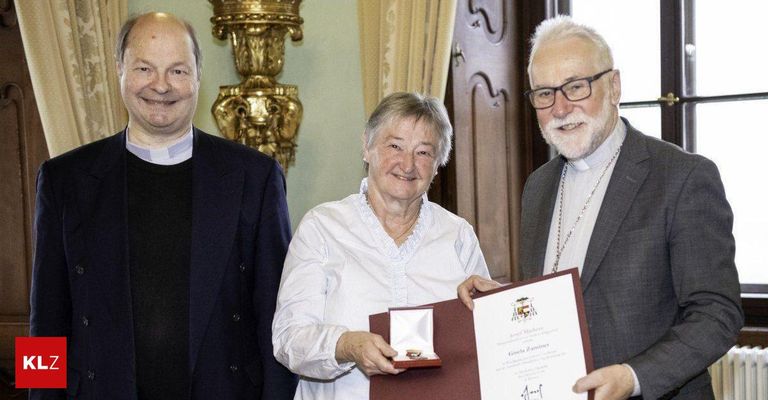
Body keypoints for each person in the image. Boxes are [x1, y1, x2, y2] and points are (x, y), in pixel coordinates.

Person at [458, 15, 742, 400]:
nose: (559, 108)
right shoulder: (537, 187)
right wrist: (503, 301)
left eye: (575, 87)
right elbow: (559, 293)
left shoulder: (682, 177)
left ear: (614, 86)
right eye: (544, 93)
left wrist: (633, 377)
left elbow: (716, 315)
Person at [30, 12, 296, 399]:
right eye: (144, 68)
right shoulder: (64, 180)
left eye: (177, 71)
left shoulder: (254, 178)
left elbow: (276, 316)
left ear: (198, 77)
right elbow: (45, 322)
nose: (160, 86)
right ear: (119, 70)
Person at [272, 92, 490, 399]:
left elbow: (485, 342)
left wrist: (494, 307)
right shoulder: (322, 228)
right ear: (367, 146)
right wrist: (348, 345)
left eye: (424, 152)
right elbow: (288, 340)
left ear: (439, 164)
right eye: (395, 146)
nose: (408, 164)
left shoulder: (458, 235)